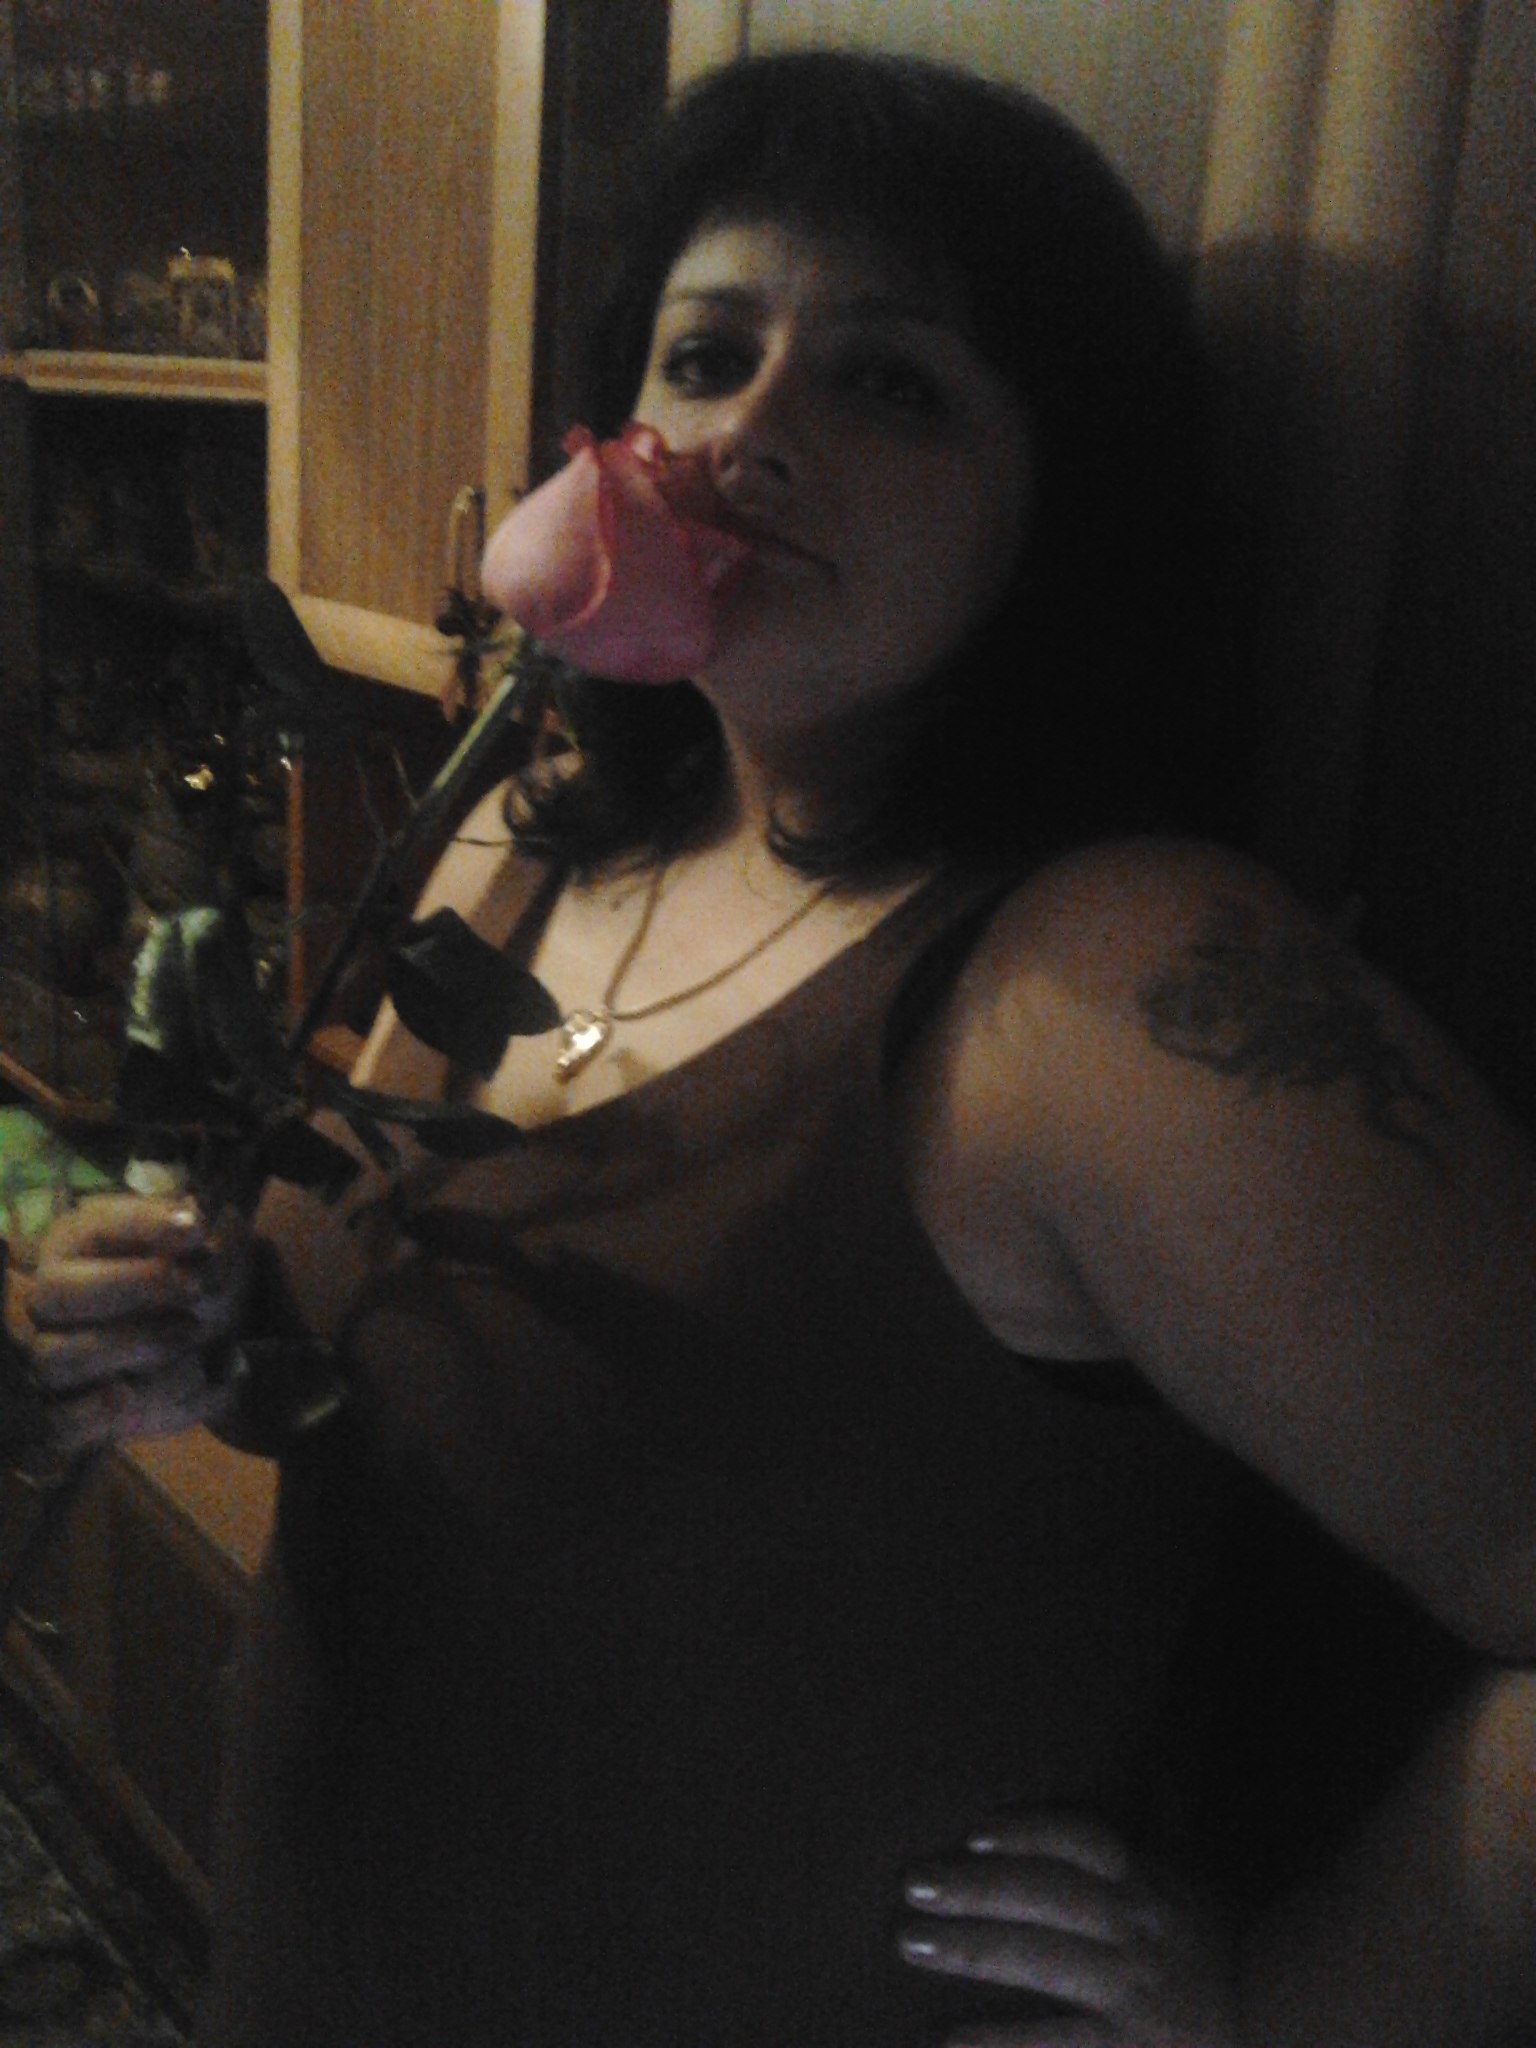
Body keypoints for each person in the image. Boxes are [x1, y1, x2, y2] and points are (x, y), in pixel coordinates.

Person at [5, 49, 1535, 2048]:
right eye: (707, 358)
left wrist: (1297, 2001)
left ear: (1062, 504)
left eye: (890, 382)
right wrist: (181, 1328)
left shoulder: (1117, 988)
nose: (746, 434)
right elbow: (408, 1373)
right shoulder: (525, 835)